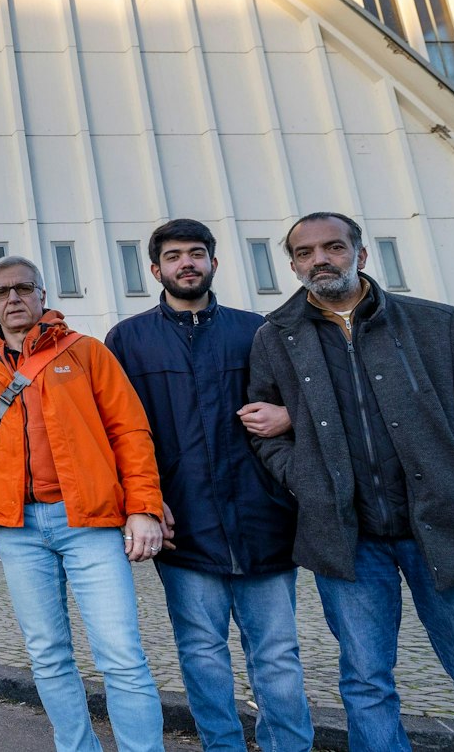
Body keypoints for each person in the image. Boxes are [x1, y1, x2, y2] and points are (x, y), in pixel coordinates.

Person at [249, 212, 454, 751]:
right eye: (306, 253)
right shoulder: (275, 339)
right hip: (347, 536)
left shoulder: (437, 324)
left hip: (443, 525)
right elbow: (265, 428)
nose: (320, 260)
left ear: (360, 254)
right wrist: (304, 480)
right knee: (365, 681)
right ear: (292, 265)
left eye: (333, 247)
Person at [104, 222, 311, 752]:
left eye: (197, 254)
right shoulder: (128, 340)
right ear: (156, 270)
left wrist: (291, 416)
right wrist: (144, 505)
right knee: (200, 652)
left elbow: (302, 404)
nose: (187, 264)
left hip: (263, 517)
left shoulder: (256, 331)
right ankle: (223, 747)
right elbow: (118, 434)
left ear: (214, 263)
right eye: (174, 257)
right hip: (185, 523)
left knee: (278, 655)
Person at [0, 256, 165, 752]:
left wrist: (144, 507)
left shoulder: (86, 352)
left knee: (120, 656)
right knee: (47, 656)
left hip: (88, 522)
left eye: (23, 288)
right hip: (19, 529)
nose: (13, 298)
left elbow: (129, 431)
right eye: (2, 292)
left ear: (42, 295)